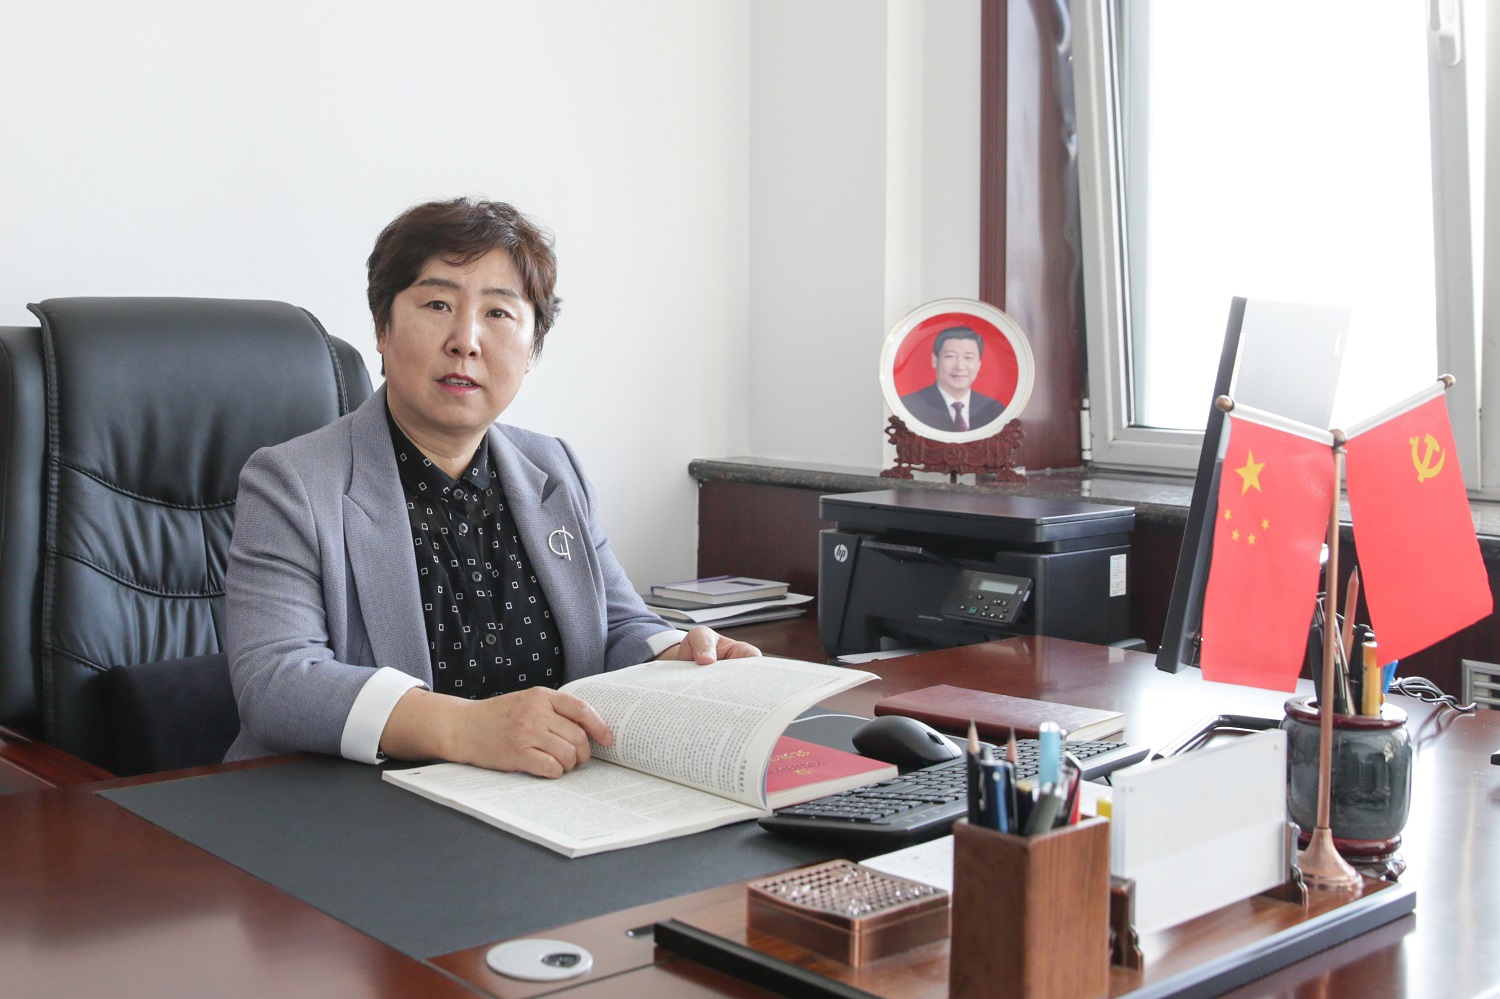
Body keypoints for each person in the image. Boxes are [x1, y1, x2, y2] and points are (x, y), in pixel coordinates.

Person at [224, 197, 759, 778]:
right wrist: (464, 727)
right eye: (437, 304)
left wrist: (677, 653)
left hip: (539, 799)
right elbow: (275, 682)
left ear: (532, 349)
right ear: (382, 327)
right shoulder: (294, 483)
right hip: (355, 803)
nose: (466, 340)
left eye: (499, 313)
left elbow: (619, 626)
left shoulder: (553, 468)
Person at [898, 326, 1007, 432]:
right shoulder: (910, 406)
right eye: (950, 356)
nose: (960, 366)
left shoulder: (994, 410)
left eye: (968, 357)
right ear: (934, 360)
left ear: (979, 364)